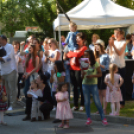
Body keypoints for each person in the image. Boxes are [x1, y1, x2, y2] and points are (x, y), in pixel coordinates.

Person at [81, 50, 108, 126]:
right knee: (86, 102)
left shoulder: (95, 63)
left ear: (91, 56)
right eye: (84, 55)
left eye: (87, 55)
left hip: (93, 84)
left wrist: (92, 76)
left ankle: (103, 118)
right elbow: (81, 77)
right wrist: (83, 74)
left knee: (97, 101)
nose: (85, 57)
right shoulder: (83, 63)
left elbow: (100, 74)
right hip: (85, 84)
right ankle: (88, 118)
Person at [66, 32, 87, 111]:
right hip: (72, 68)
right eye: (76, 38)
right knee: (74, 87)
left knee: (81, 87)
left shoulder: (84, 48)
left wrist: (73, 54)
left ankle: (82, 104)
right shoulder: (74, 47)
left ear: (83, 39)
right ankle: (75, 105)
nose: (77, 39)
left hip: (79, 70)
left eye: (79, 38)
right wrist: (74, 53)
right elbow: (68, 55)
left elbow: (79, 55)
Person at [109, 29, 126, 108]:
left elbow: (119, 53)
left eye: (118, 33)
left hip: (120, 66)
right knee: (113, 84)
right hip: (113, 66)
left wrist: (113, 45)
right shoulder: (113, 42)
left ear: (121, 35)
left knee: (121, 84)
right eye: (115, 33)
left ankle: (122, 102)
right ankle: (115, 101)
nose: (116, 35)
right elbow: (111, 53)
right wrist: (110, 46)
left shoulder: (123, 42)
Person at [0, 35, 17, 111]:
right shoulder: (0, 48)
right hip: (3, 72)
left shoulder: (9, 46)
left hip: (10, 71)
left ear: (4, 40)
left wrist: (1, 58)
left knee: (12, 88)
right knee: (6, 90)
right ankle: (7, 104)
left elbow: (9, 57)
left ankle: (13, 105)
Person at [22, 44, 39, 121]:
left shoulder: (36, 57)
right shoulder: (27, 57)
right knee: (26, 93)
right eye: (28, 48)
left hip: (33, 77)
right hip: (27, 77)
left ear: (34, 49)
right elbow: (25, 66)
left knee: (32, 95)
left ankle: (33, 114)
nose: (29, 49)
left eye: (30, 48)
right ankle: (28, 114)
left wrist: (29, 73)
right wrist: (25, 73)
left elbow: (36, 68)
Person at [94, 41, 109, 114]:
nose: (96, 48)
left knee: (104, 93)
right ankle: (100, 109)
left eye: (98, 46)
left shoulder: (105, 55)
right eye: (95, 46)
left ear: (101, 46)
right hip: (97, 74)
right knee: (98, 92)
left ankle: (104, 109)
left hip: (103, 73)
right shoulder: (95, 56)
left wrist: (100, 65)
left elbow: (107, 67)